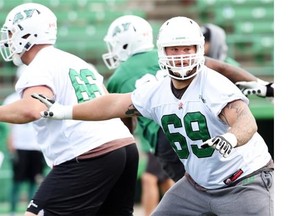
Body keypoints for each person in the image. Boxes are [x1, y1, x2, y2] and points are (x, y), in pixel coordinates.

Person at [34, 16, 274, 215]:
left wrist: (231, 138)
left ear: (199, 50)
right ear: (162, 51)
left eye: (187, 49)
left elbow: (245, 120)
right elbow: (113, 104)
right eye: (174, 49)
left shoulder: (213, 84)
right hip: (197, 187)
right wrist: (64, 111)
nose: (181, 55)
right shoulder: (156, 91)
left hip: (243, 183)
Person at [0, 3, 138, 216]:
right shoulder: (75, 61)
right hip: (124, 147)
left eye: (10, 33)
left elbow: (32, 109)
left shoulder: (40, 65)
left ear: (25, 33)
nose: (8, 39)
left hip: (88, 153)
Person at [102, 15, 176, 215]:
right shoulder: (165, 55)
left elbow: (126, 126)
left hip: (161, 136)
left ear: (124, 42)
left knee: (157, 180)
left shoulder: (119, 77)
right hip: (187, 125)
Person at [3, 65, 46, 216]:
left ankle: (32, 210)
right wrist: (11, 144)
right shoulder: (12, 99)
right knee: (17, 181)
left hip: (37, 146)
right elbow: (9, 128)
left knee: (34, 181)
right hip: (20, 146)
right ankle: (13, 211)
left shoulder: (41, 97)